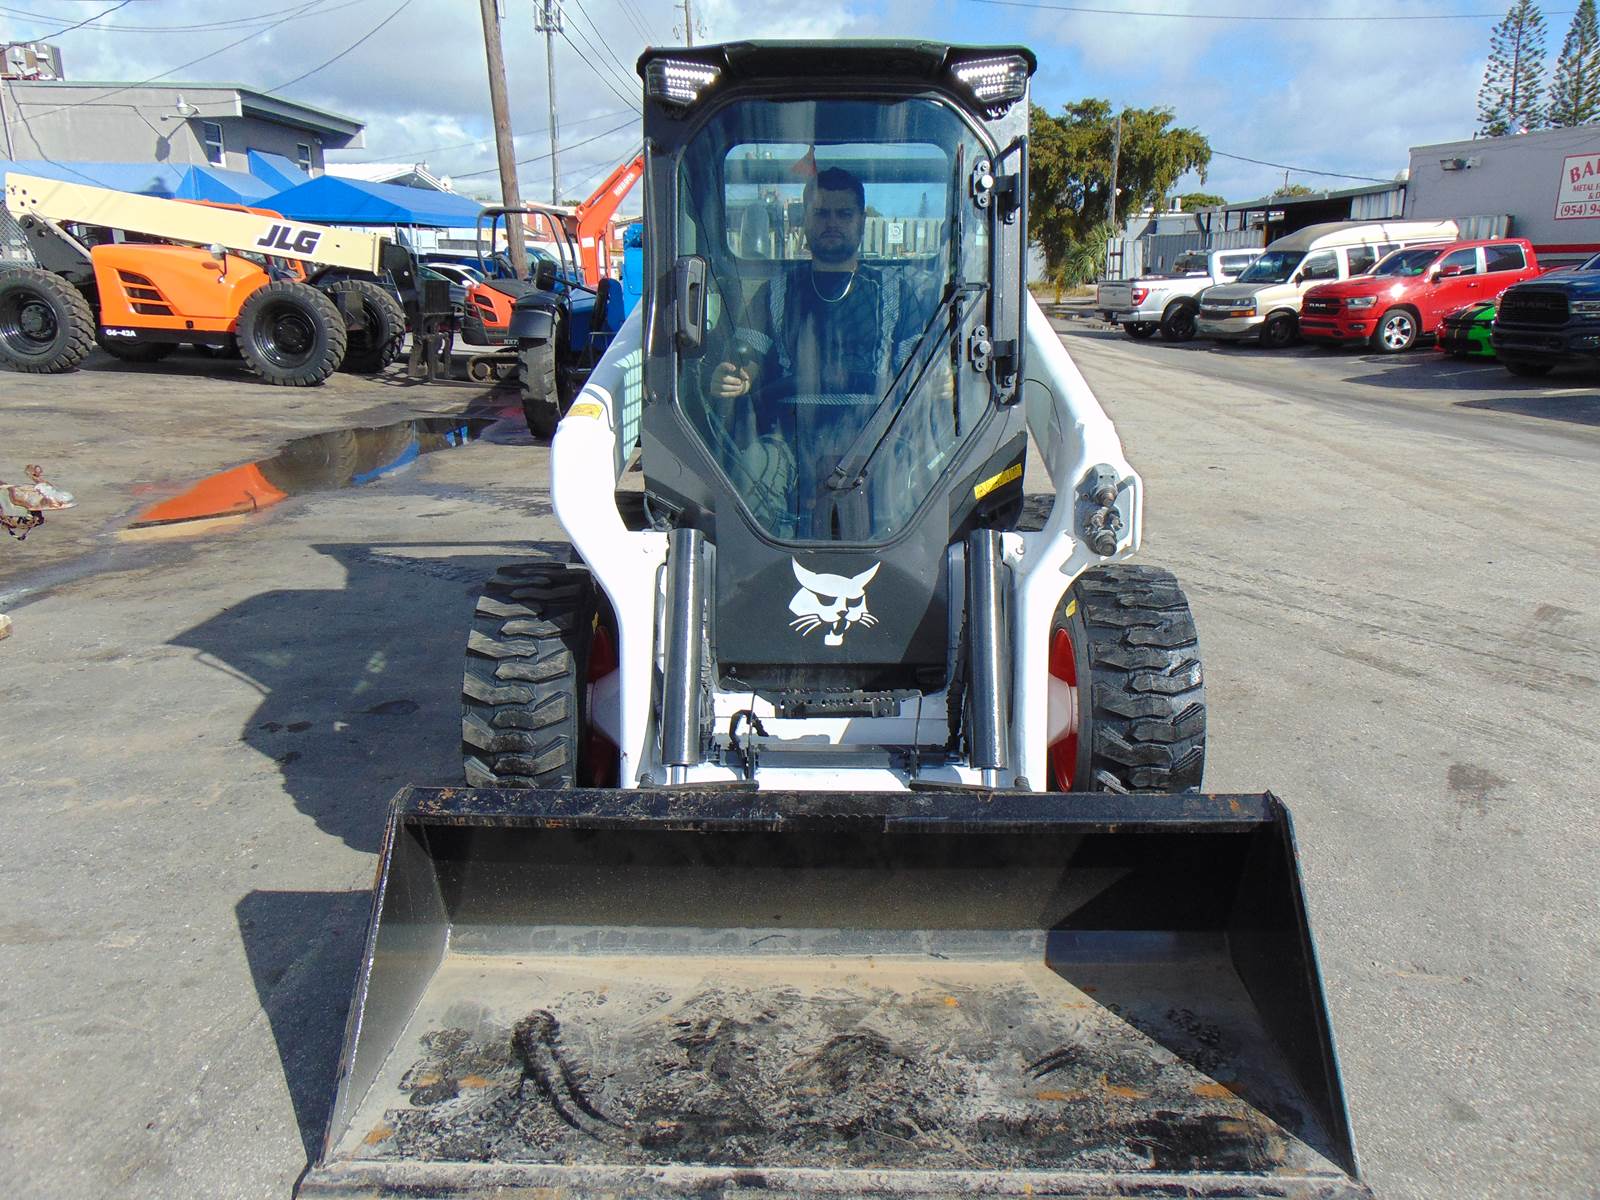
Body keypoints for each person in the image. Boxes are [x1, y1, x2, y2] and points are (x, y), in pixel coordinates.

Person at [707, 166, 938, 538]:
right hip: (790, 441)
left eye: (843, 213)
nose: (832, 222)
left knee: (917, 483)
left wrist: (943, 383)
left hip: (876, 443)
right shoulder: (776, 291)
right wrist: (736, 376)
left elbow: (919, 369)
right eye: (821, 212)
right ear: (804, 219)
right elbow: (747, 356)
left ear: (861, 221)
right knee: (753, 464)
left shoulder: (896, 292)